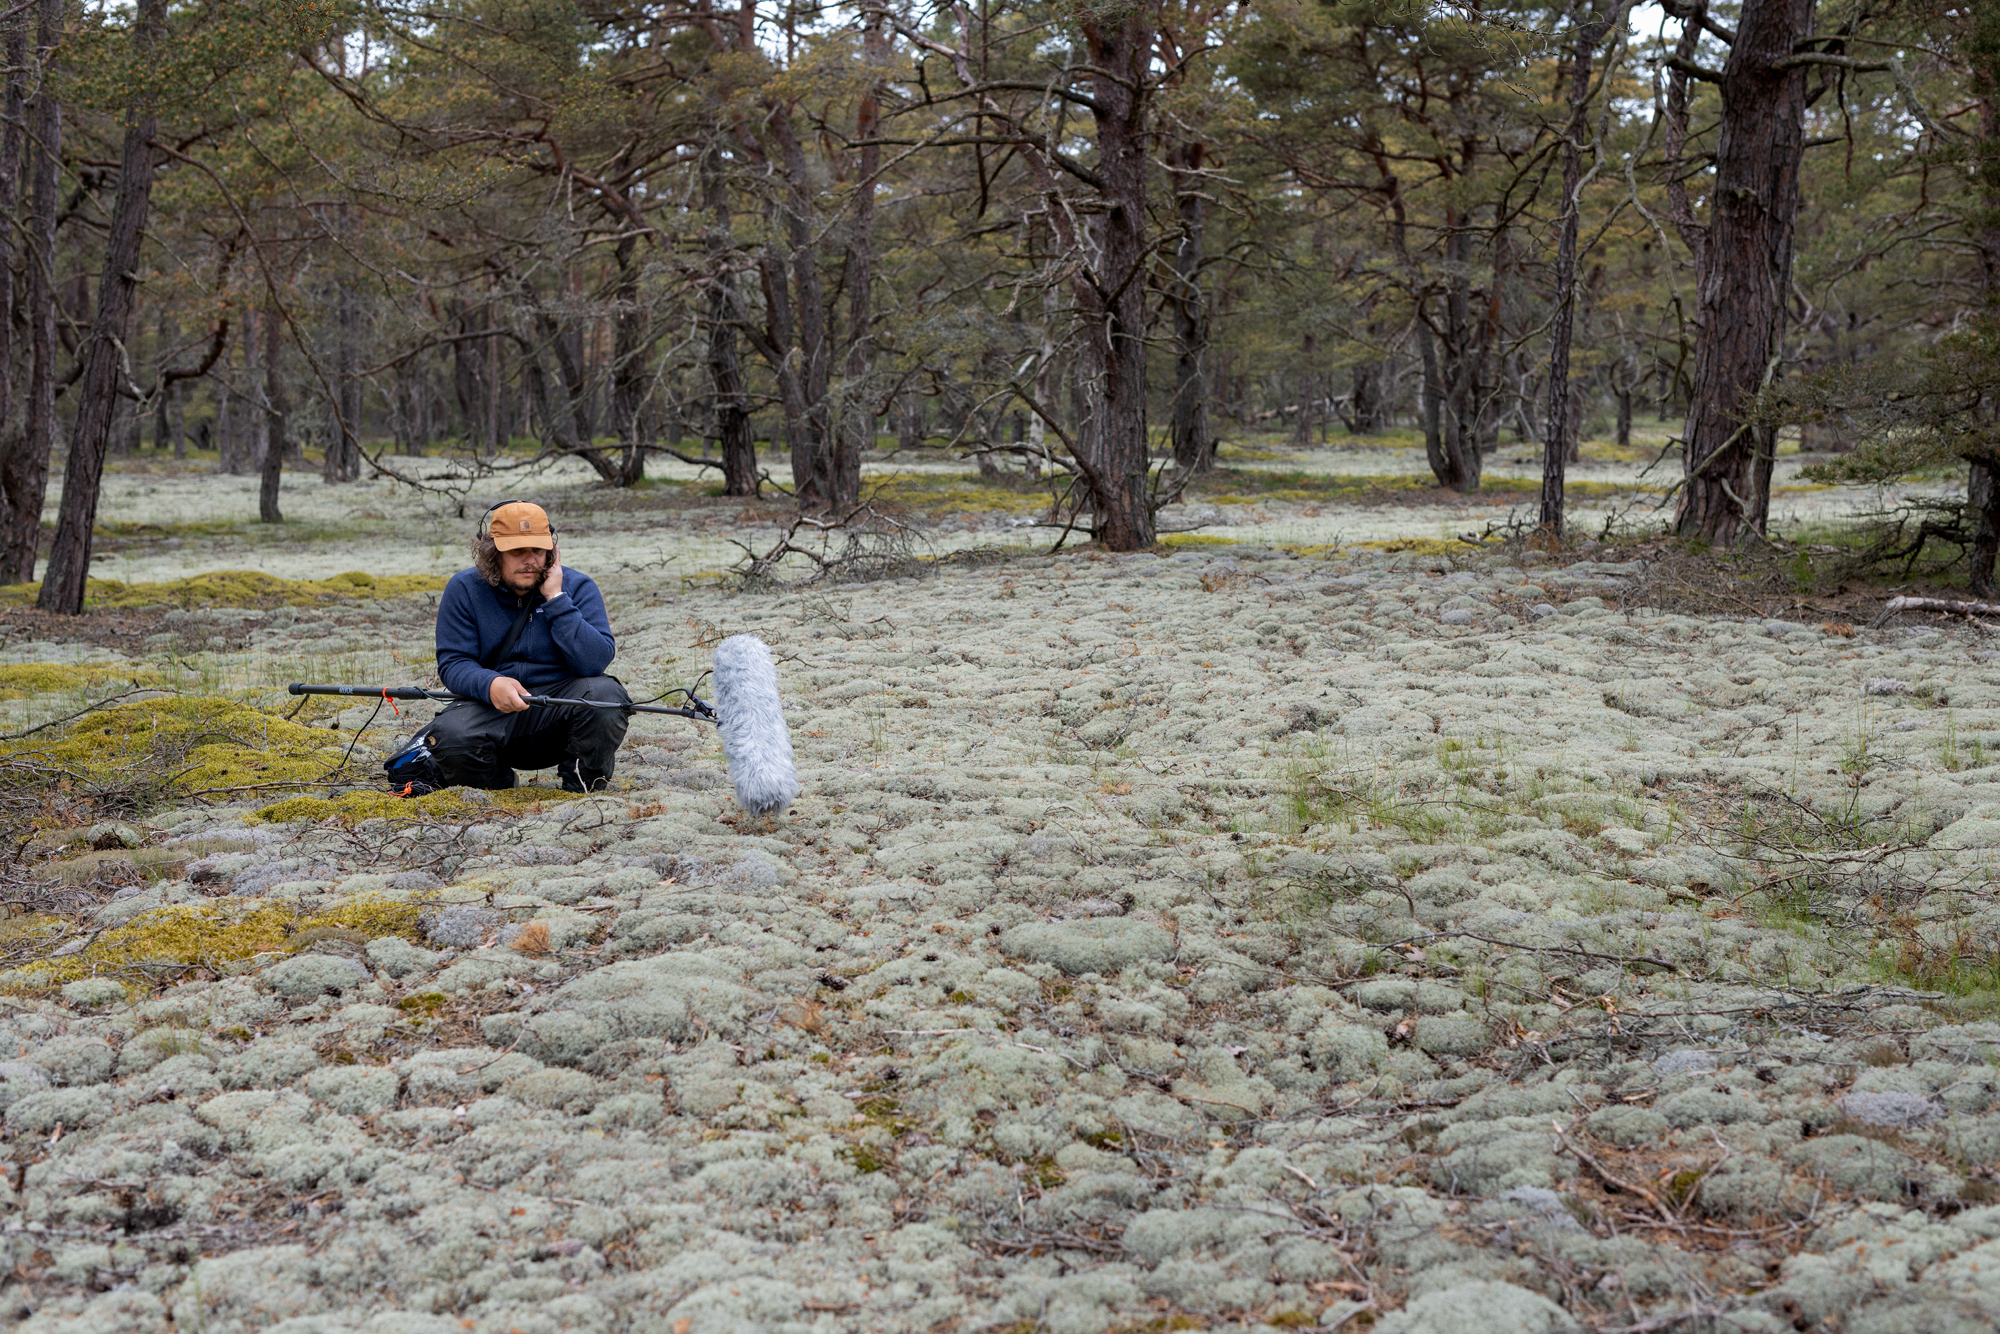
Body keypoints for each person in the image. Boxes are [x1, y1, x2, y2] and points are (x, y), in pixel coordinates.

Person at [425, 502, 629, 792]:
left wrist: (557, 599)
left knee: (606, 697)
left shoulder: (578, 587)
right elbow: (453, 662)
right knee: (449, 734)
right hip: (492, 710)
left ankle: (581, 786)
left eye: (537, 549)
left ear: (552, 551)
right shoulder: (464, 589)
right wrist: (490, 683)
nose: (530, 560)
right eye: (517, 551)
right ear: (493, 553)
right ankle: (499, 787)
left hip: (561, 710)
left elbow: (595, 662)